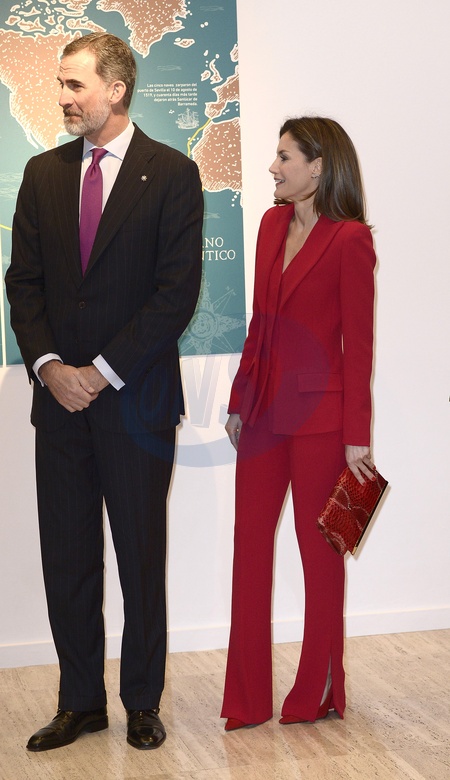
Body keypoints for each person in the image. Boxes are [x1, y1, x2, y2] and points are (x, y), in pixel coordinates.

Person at [5, 32, 203, 751]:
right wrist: (51, 366)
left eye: (74, 84)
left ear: (116, 89)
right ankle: (80, 702)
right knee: (68, 558)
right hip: (58, 404)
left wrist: (100, 371)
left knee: (140, 557)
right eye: (60, 84)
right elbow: (22, 284)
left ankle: (143, 702)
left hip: (136, 402)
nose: (62, 96)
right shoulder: (42, 174)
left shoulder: (173, 173)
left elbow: (175, 293)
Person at [220, 116, 376, 730]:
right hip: (262, 415)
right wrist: (239, 398)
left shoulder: (350, 240)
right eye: (276, 156)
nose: (273, 167)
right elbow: (259, 321)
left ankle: (317, 690)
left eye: (285, 157)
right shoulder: (269, 224)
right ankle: (247, 699)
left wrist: (357, 435)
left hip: (321, 422)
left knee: (321, 557)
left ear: (318, 166)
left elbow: (358, 346)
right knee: (249, 550)